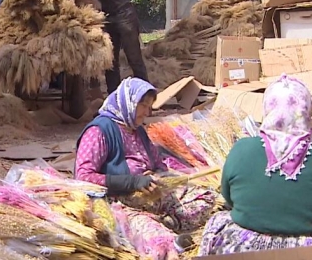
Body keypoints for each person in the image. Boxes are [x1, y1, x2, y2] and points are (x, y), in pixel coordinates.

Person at [198, 75, 312, 256]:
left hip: (246, 249)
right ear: (306, 109)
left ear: (267, 109)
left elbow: (228, 197)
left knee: (217, 220)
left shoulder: (242, 147)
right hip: (309, 250)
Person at [75, 77, 216, 259]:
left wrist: (159, 176)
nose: (147, 112)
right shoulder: (99, 131)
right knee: (159, 241)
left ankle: (168, 221)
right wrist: (133, 182)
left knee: (206, 198)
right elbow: (83, 177)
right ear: (129, 102)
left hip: (152, 198)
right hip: (120, 203)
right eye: (143, 105)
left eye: (149, 106)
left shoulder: (137, 129)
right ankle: (160, 231)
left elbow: (158, 164)